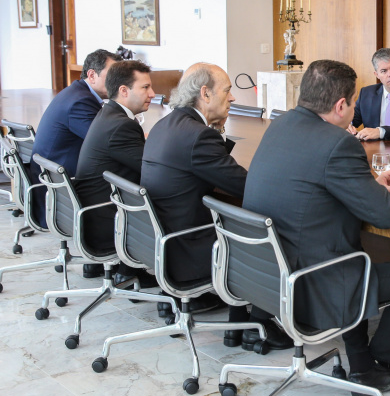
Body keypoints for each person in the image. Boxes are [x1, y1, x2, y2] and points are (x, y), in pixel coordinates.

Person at [244, 59, 390, 396]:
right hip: (312, 282)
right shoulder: (338, 143)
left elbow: (312, 183)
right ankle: (379, 365)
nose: (355, 108)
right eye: (354, 102)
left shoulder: (281, 124)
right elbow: (387, 216)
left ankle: (361, 365)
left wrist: (368, 183)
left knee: (349, 253)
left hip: (267, 275)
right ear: (341, 105)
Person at [141, 63, 290, 352]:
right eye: (228, 90)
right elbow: (247, 188)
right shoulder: (198, 136)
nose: (232, 98)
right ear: (205, 94)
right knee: (264, 232)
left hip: (163, 241)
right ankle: (259, 324)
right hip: (188, 248)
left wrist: (217, 133)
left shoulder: (166, 125)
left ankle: (241, 326)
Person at [31, 48, 121, 277]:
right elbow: (106, 145)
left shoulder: (77, 94)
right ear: (91, 75)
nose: (117, 81)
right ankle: (127, 265)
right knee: (134, 181)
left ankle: (98, 262)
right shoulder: (80, 103)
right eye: (112, 74)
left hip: (56, 189)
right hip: (64, 195)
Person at [74, 60, 157, 287]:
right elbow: (152, 171)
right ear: (123, 91)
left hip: (94, 213)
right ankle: (182, 281)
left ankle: (130, 270)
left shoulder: (108, 115)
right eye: (145, 87)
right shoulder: (122, 126)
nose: (152, 93)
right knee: (178, 201)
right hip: (106, 221)